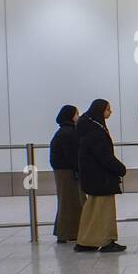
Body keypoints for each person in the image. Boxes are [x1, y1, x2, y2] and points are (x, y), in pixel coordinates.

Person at [74, 99, 126, 254]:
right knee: (104, 211)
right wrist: (120, 169)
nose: (110, 112)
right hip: (102, 177)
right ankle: (106, 240)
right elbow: (104, 155)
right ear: (100, 110)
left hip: (92, 175)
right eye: (108, 109)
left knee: (92, 210)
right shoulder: (95, 130)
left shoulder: (88, 126)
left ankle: (86, 240)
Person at [49, 104, 82, 244]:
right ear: (70, 116)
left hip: (63, 170)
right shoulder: (69, 132)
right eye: (76, 114)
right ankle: (66, 233)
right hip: (67, 171)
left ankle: (67, 232)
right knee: (69, 202)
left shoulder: (63, 131)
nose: (78, 117)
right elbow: (72, 155)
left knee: (67, 202)